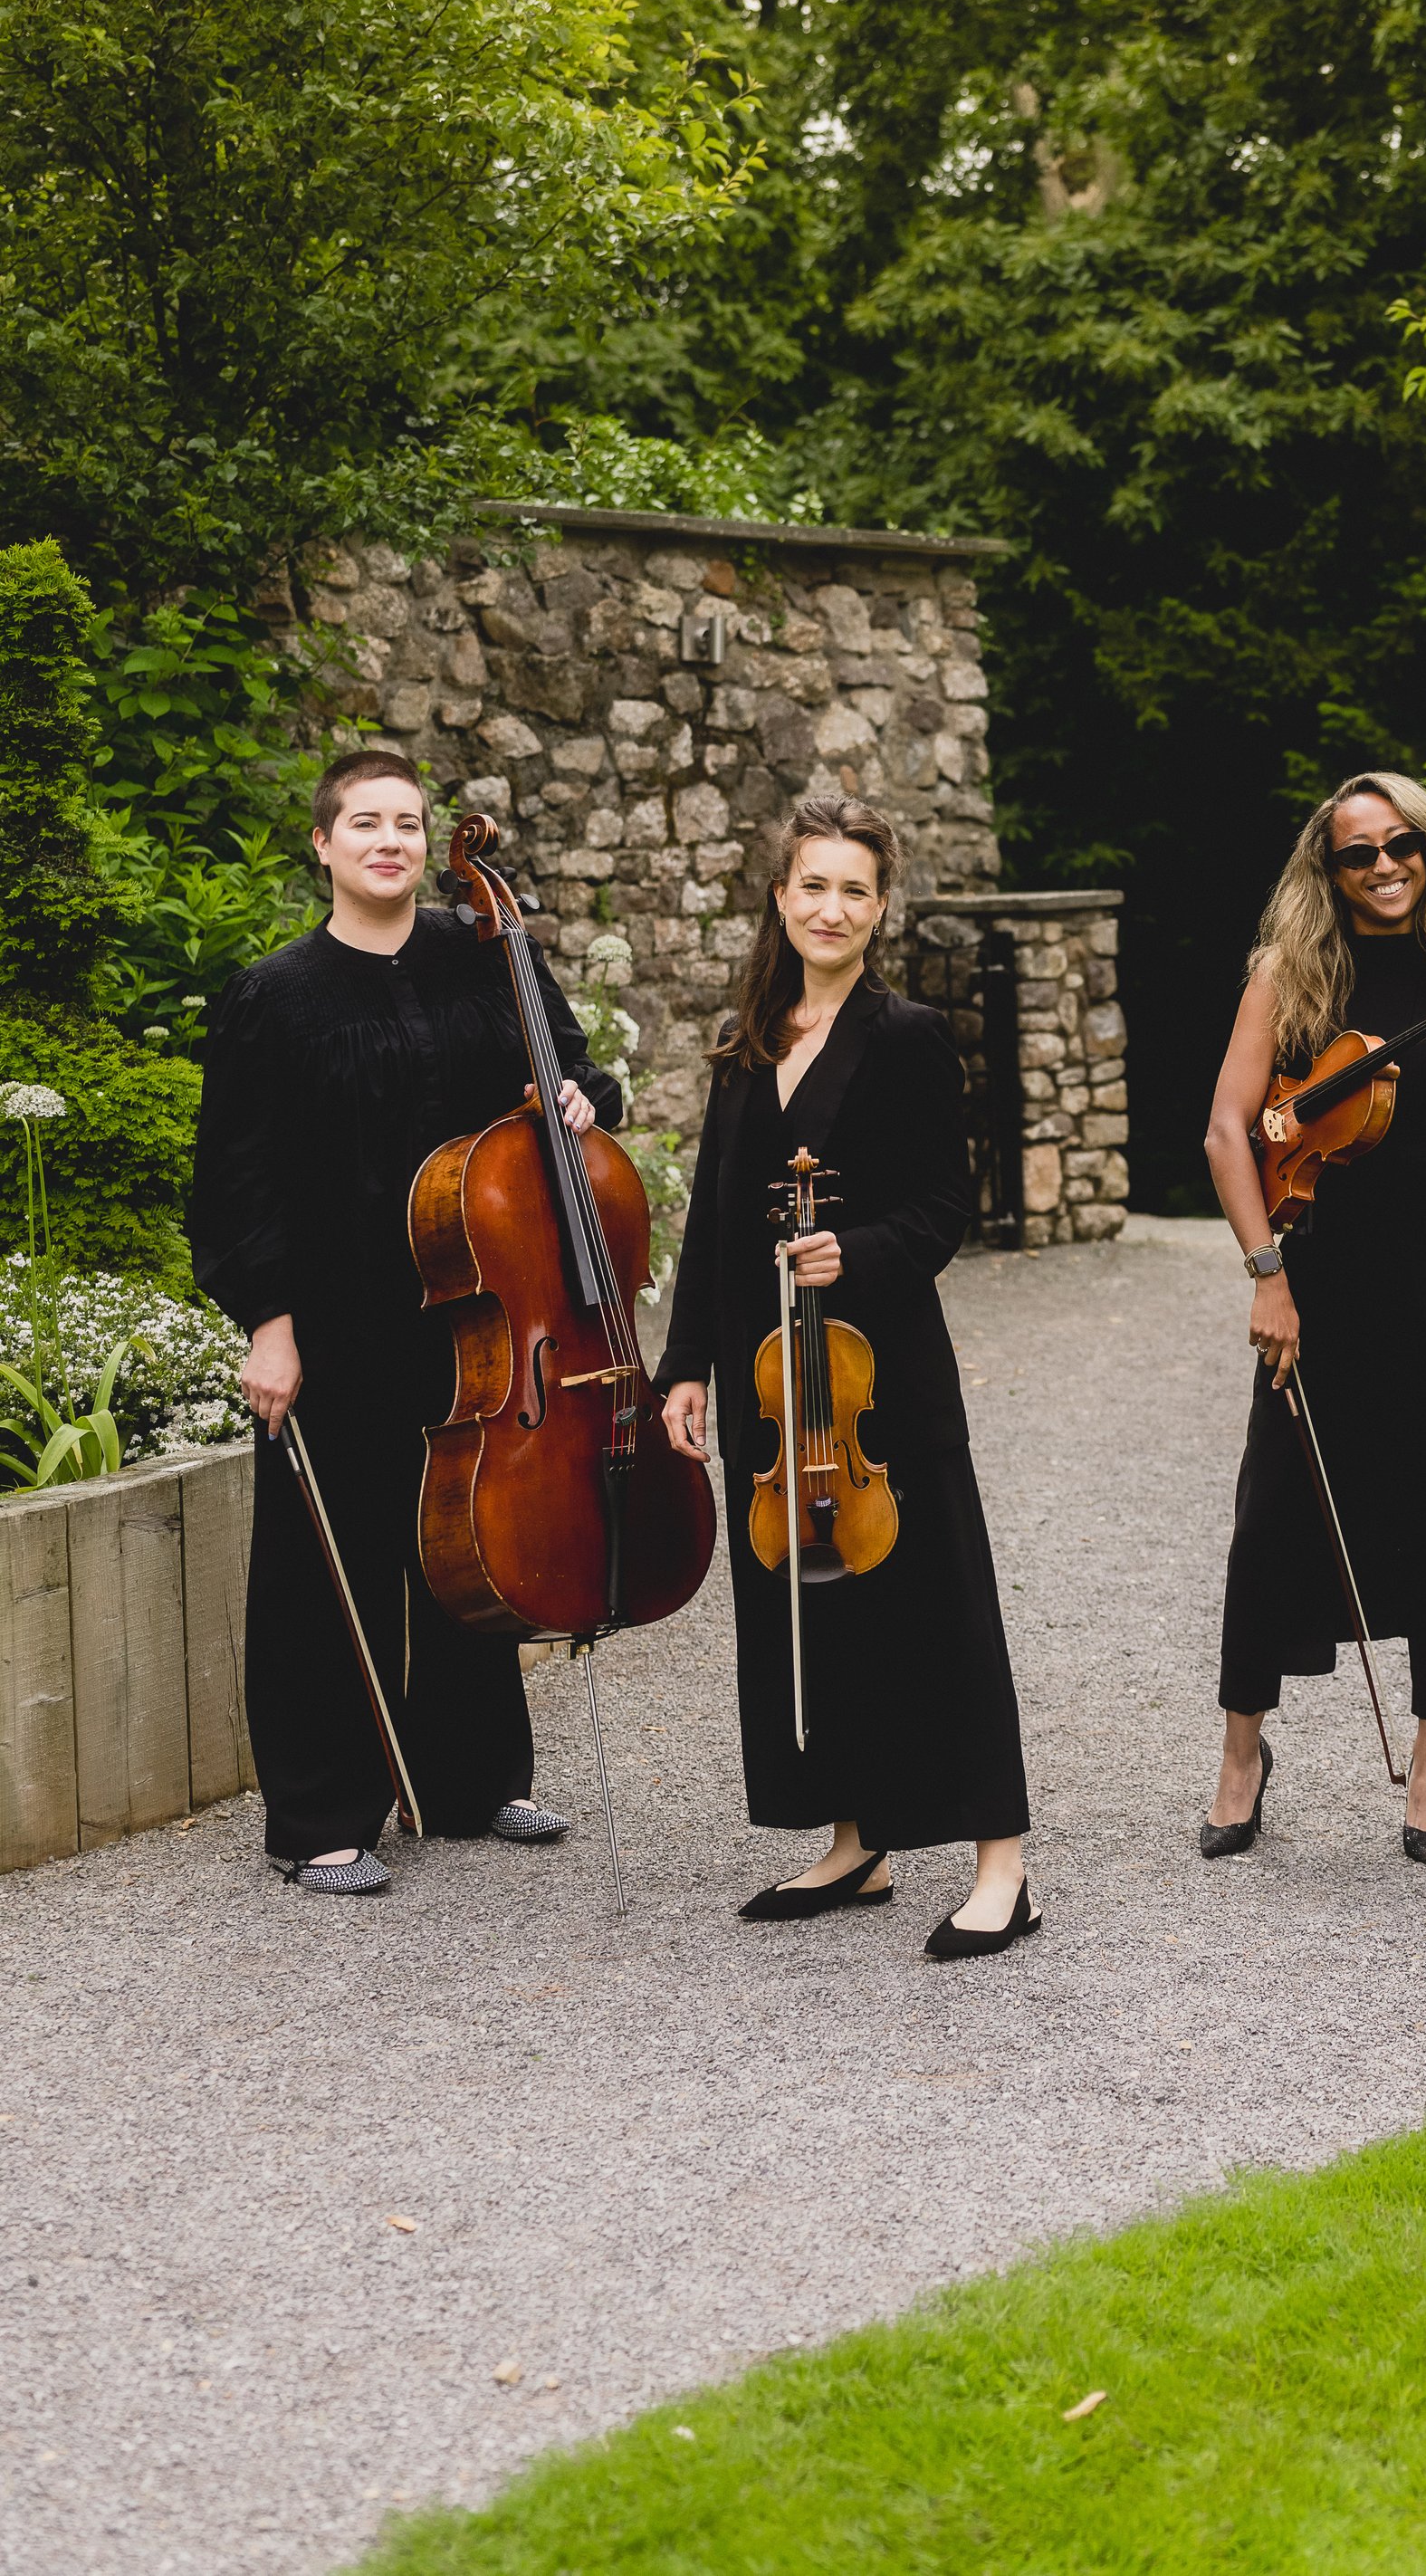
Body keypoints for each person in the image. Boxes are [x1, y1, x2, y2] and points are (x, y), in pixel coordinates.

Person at [190, 752, 619, 1895]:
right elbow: (235, 1179)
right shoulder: (275, 996)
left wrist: (580, 1096)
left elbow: (573, 1075)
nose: (390, 840)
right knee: (324, 1572)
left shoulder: (487, 954)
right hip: (337, 1321)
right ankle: (322, 1817)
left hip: (483, 1311)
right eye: (365, 822)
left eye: (409, 823)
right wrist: (267, 1325)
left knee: (470, 1539)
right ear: (323, 845)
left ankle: (475, 1783)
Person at [656, 791, 1036, 1960]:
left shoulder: (907, 1034)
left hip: (879, 1378)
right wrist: (683, 1366)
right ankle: (853, 1838)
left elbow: (943, 1211)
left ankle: (1002, 1866)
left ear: (880, 909)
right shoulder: (748, 1035)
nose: (832, 907)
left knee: (935, 1607)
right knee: (802, 1610)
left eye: (854, 889)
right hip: (770, 1382)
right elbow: (717, 1219)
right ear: (781, 897)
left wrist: (852, 1250)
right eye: (813, 884)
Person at [1200, 772, 1426, 1863]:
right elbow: (1230, 1131)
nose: (1383, 867)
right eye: (1356, 854)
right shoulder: (1288, 971)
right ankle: (1239, 1752)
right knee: (1278, 1510)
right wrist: (1267, 1272)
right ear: (1328, 869)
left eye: (1399, 845)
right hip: (1321, 1271)